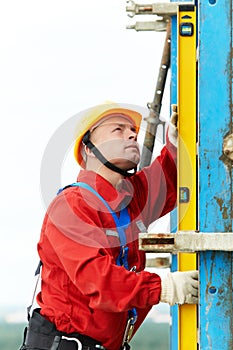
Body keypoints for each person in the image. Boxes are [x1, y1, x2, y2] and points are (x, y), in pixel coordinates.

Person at [21, 103, 198, 350]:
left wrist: (177, 142)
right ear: (89, 149)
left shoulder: (131, 199)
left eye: (133, 130)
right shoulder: (71, 207)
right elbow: (98, 280)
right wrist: (163, 287)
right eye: (118, 129)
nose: (132, 134)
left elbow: (169, 178)